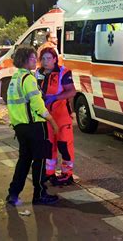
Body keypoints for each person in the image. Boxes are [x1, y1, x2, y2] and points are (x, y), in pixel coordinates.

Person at [5, 46, 60, 206]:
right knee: (40, 161)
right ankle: (40, 194)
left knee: (23, 161)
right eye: (32, 58)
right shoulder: (28, 79)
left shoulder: (14, 79)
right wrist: (52, 121)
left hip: (20, 126)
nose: (35, 61)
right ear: (25, 60)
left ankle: (13, 194)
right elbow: (38, 104)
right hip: (34, 126)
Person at [35, 47, 76, 186]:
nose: (46, 62)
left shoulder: (63, 72)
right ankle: (49, 173)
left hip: (61, 117)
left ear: (54, 59)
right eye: (43, 59)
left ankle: (67, 174)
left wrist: (55, 98)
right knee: (48, 146)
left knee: (64, 145)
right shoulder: (38, 73)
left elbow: (72, 92)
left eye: (49, 58)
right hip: (45, 117)